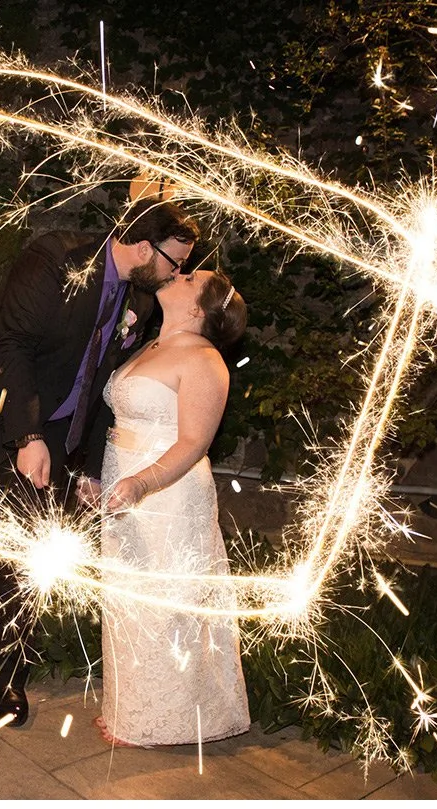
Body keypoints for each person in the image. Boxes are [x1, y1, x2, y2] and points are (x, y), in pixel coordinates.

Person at [0, 200, 199, 727]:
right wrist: (27, 434)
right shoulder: (55, 259)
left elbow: (100, 383)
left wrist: (81, 460)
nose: (177, 274)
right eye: (173, 262)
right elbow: (12, 345)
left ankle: (9, 675)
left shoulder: (142, 301)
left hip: (55, 437)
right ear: (140, 246)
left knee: (24, 558)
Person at [96, 267, 251, 748]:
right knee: (127, 597)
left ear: (198, 309)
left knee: (167, 604)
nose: (178, 274)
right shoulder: (150, 344)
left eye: (190, 278)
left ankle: (171, 719)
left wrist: (143, 483)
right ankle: (132, 709)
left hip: (168, 491)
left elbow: (193, 443)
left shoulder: (205, 360)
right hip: (121, 480)